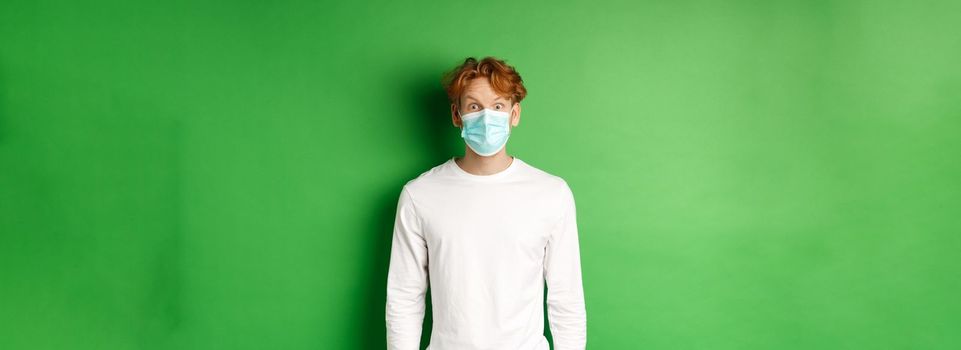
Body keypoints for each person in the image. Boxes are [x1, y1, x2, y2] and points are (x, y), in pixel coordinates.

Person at [385, 56, 587, 350]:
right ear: (457, 115)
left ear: (514, 114)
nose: (486, 116)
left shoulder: (551, 193)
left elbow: (566, 298)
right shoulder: (420, 195)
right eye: (474, 106)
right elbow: (404, 297)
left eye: (498, 106)